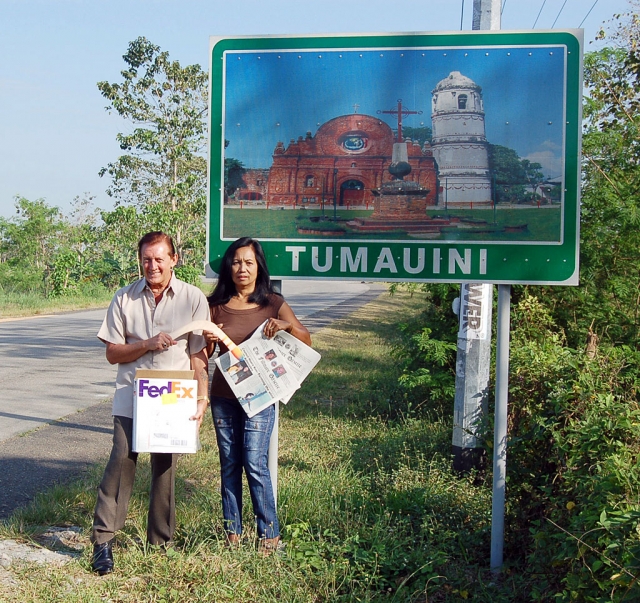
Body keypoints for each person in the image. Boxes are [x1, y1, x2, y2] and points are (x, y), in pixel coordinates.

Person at [91, 231, 210, 575]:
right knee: (121, 463)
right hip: (132, 395)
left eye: (159, 259)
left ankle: (160, 543)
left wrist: (201, 398)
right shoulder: (124, 298)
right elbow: (113, 353)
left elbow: (198, 355)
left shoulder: (192, 298)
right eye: (146, 259)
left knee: (164, 469)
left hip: (174, 397)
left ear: (174, 259)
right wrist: (146, 343)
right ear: (140, 260)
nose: (152, 266)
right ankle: (103, 542)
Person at [205, 237, 311, 554]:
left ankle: (270, 536)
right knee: (229, 465)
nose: (242, 268)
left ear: (258, 266)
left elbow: (306, 339)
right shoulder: (215, 306)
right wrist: (210, 336)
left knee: (255, 463)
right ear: (228, 266)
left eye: (249, 262)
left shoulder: (273, 303)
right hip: (224, 396)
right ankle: (232, 535)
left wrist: (284, 326)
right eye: (236, 262)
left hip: (261, 397)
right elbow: (207, 354)